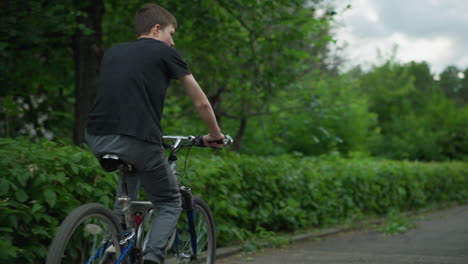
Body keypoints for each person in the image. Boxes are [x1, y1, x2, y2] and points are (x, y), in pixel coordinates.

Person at [85, 3, 224, 264]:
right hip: (138, 139)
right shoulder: (164, 52)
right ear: (157, 29)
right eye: (172, 34)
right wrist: (214, 135)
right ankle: (152, 259)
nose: (172, 42)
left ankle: (114, 244)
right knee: (170, 202)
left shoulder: (114, 52)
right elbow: (202, 102)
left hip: (96, 136)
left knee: (129, 189)